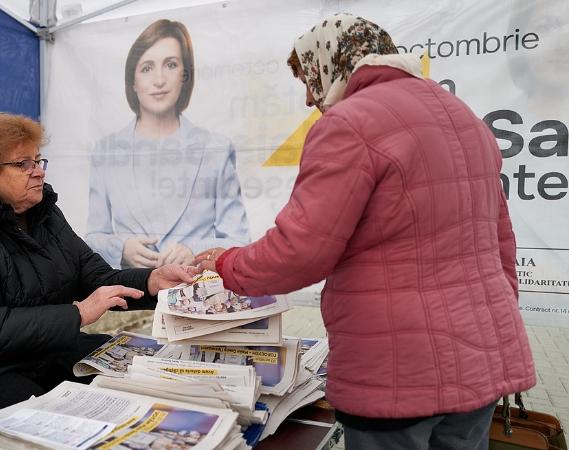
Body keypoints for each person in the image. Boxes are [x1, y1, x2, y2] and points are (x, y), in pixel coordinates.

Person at [196, 13, 536, 450]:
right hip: (482, 362)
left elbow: (301, 250)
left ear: (334, 61)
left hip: (397, 372)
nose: (307, 98)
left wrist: (228, 264)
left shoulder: (349, 123)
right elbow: (501, 244)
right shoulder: (460, 114)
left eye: (309, 76)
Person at [0, 112, 198, 449]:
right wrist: (79, 314)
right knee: (47, 426)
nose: (37, 171)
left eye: (39, 161)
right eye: (23, 164)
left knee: (143, 370)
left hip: (32, 348)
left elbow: (97, 277)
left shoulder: (44, 213)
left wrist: (153, 281)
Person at [86, 19, 250, 269]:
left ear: (185, 75)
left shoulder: (215, 148)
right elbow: (93, 237)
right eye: (147, 68)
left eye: (170, 65)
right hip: (133, 297)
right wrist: (121, 248)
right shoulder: (106, 151)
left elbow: (238, 240)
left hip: (194, 294)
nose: (159, 80)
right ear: (133, 80)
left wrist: (195, 251)